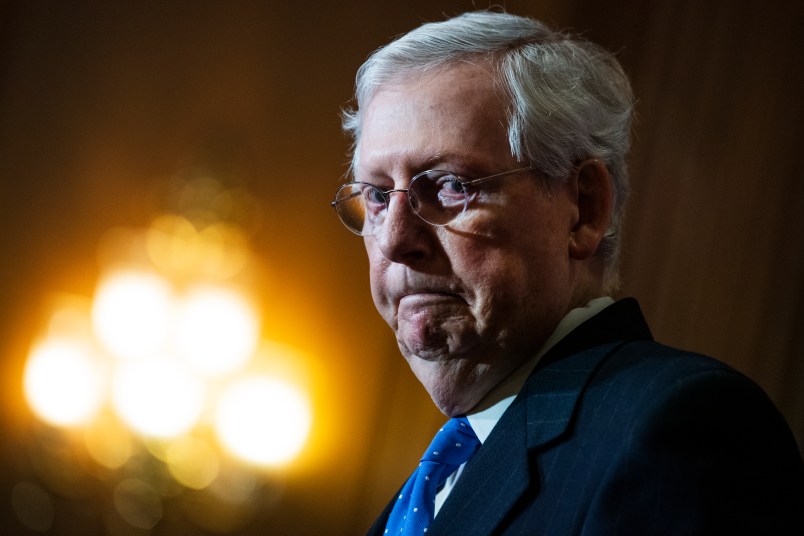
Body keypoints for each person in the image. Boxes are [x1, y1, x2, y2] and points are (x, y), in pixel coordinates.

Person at [330, 10, 804, 535]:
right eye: (377, 196)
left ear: (583, 208)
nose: (395, 241)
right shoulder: (441, 479)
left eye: (450, 186)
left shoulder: (679, 426)